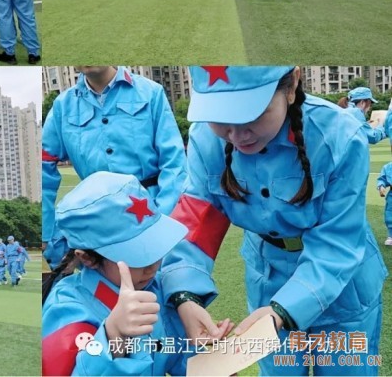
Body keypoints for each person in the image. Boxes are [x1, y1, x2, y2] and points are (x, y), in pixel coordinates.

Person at [161, 66, 387, 376]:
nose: (237, 135)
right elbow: (198, 220)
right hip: (267, 276)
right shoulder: (205, 139)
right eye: (220, 117)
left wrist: (284, 310)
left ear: (292, 84)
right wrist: (184, 293)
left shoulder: (339, 135)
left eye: (252, 114)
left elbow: (337, 242)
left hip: (343, 285)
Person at [42, 172, 190, 377]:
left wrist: (211, 364)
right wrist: (113, 337)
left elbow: (177, 351)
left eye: (155, 246)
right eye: (137, 256)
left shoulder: (152, 286)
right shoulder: (67, 312)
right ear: (87, 258)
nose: (153, 264)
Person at [42, 67, 187, 270]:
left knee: (156, 287)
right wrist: (47, 233)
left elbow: (175, 163)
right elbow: (43, 167)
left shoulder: (150, 92)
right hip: (99, 224)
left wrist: (161, 221)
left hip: (148, 211)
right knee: (104, 294)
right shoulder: (63, 106)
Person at [376, 161, 392, 247]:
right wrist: (381, 186)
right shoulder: (388, 167)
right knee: (390, 215)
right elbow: (382, 179)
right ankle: (391, 236)